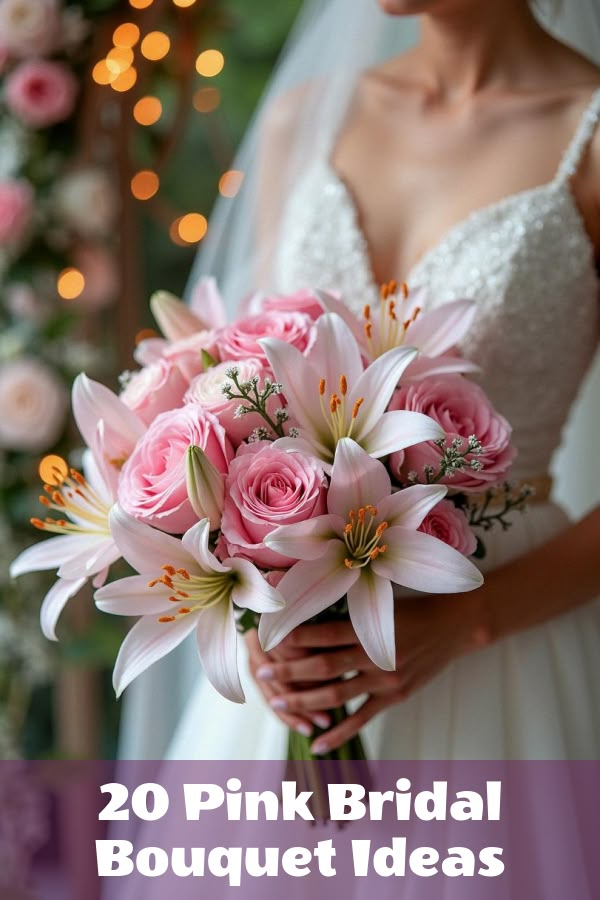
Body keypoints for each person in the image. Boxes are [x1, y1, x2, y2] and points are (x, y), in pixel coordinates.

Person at [120, 0, 600, 761]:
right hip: (303, 647)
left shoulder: (591, 134)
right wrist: (259, 600)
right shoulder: (304, 118)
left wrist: (473, 622)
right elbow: (247, 377)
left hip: (505, 636)